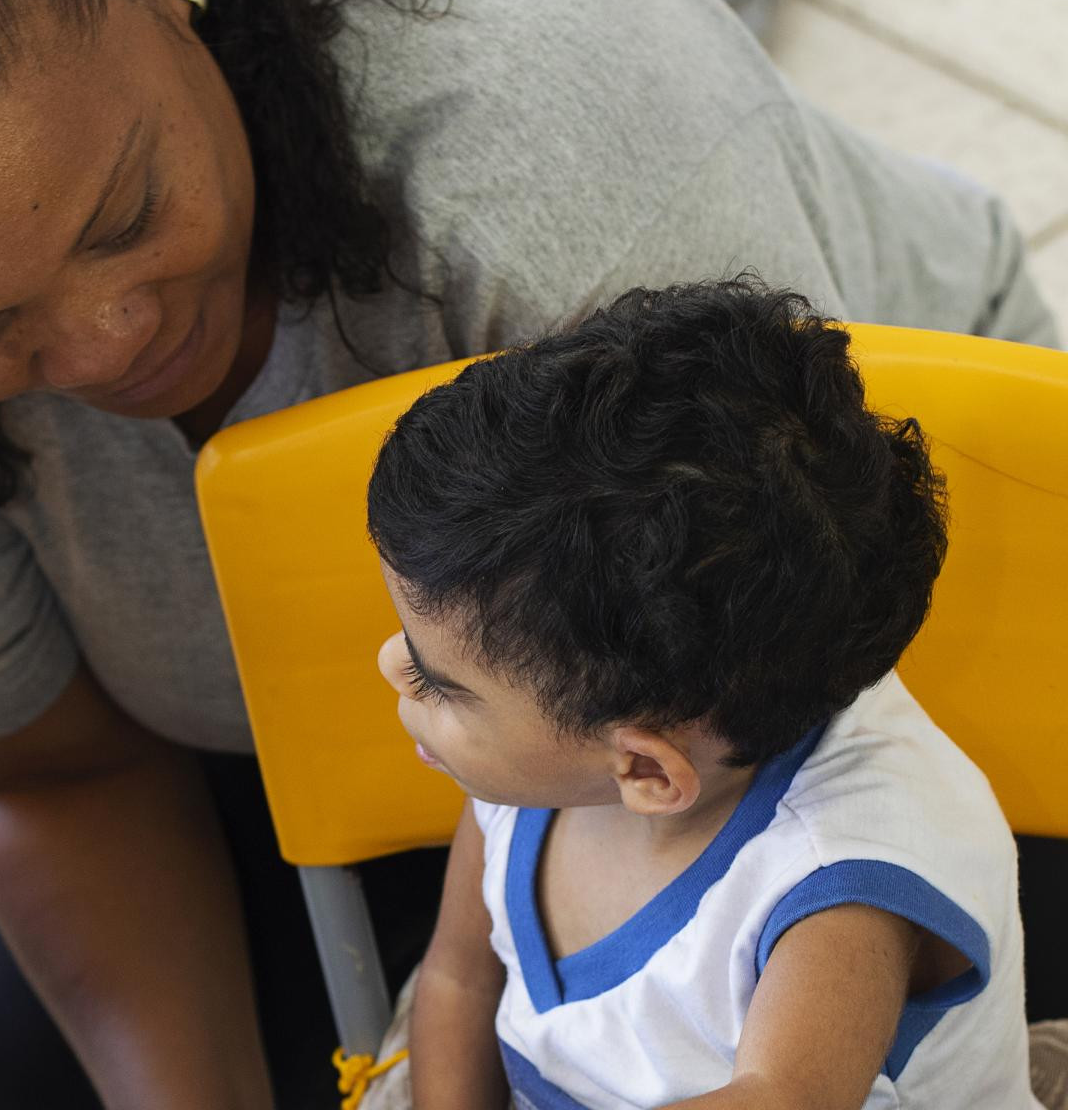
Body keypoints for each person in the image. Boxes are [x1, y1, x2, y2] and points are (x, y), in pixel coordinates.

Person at [0, 0, 1061, 1103]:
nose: (112, 339)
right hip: (492, 742)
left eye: (125, 211)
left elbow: (757, 676)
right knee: (25, 1062)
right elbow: (52, 770)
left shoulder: (536, 137)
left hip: (858, 673)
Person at [368, 280, 1035, 1109]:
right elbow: (460, 981)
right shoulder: (542, 759)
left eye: (438, 680)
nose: (391, 664)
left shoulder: (836, 885)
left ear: (647, 773)